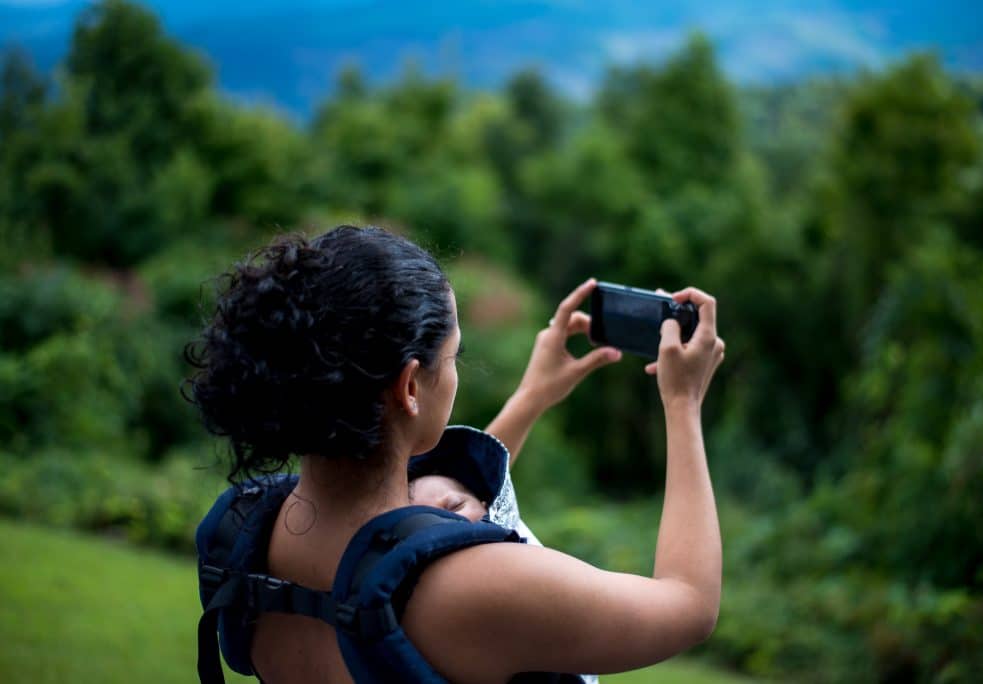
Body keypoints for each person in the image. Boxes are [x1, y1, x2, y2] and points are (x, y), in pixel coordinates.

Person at [186, 225, 725, 683]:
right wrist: (683, 402)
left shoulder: (254, 539)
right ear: (410, 387)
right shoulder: (482, 589)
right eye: (453, 354)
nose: (457, 370)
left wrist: (531, 398)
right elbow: (688, 604)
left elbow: (410, 541)